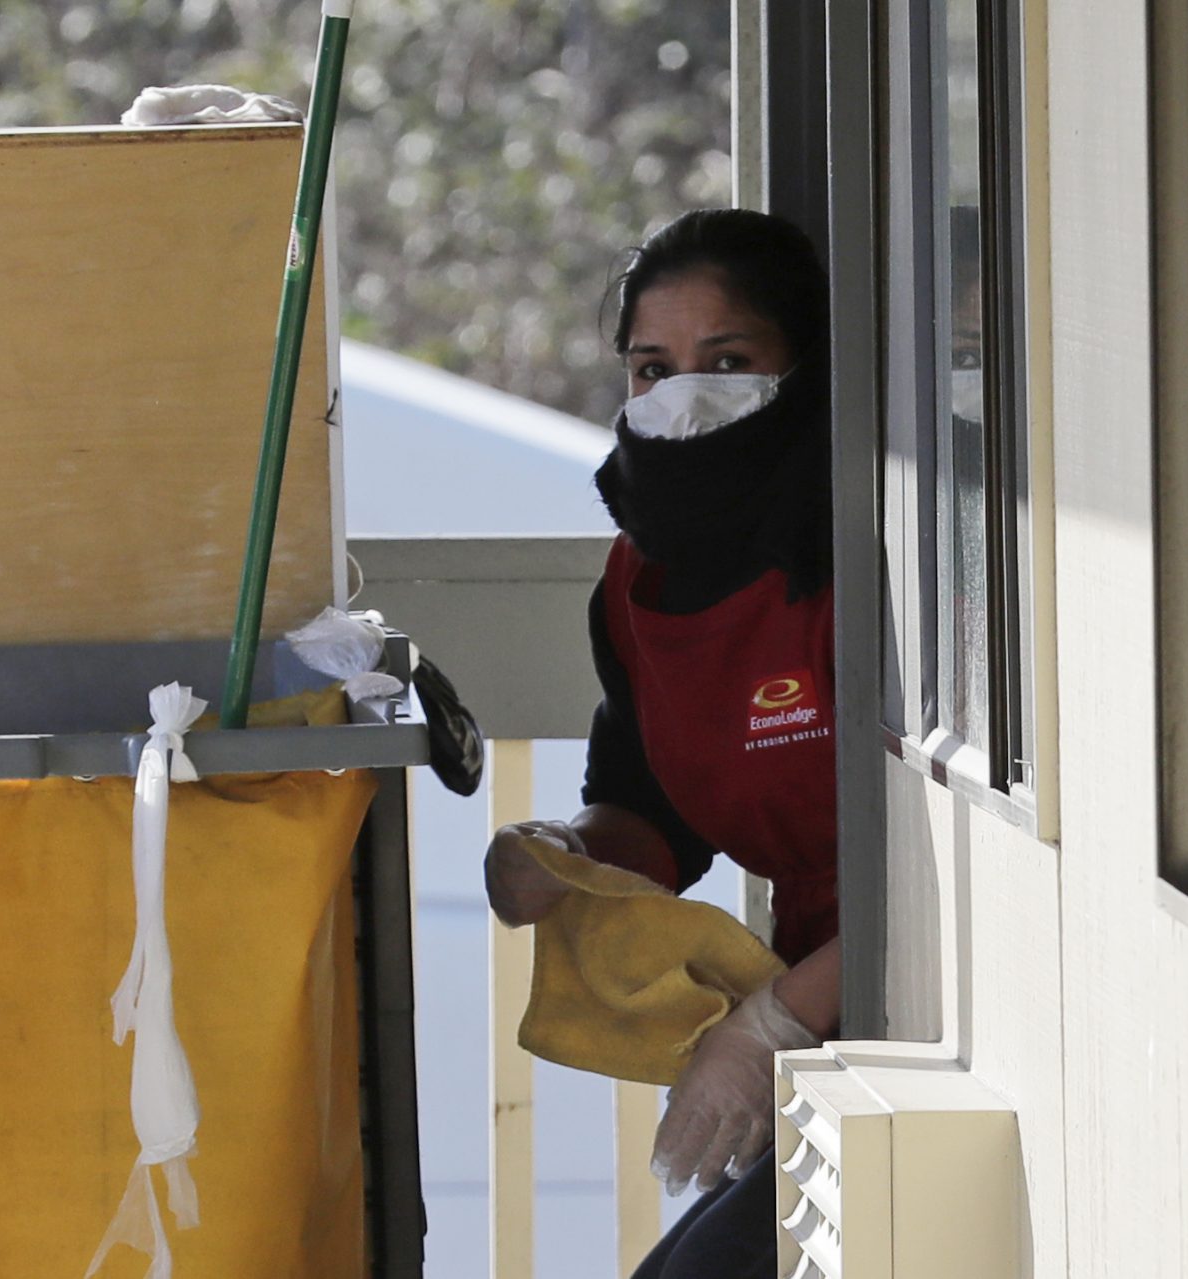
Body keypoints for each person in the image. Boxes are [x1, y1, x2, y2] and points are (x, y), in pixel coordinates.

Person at [482, 208, 840, 1279]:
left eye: (726, 360)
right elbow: (653, 804)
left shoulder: (871, 541)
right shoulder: (638, 581)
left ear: (806, 365)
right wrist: (568, 853)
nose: (681, 393)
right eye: (652, 366)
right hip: (822, 1009)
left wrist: (774, 1022)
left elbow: (941, 862)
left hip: (921, 988)